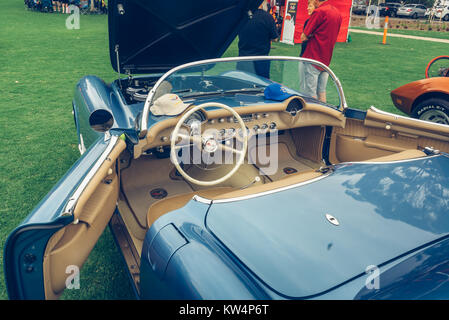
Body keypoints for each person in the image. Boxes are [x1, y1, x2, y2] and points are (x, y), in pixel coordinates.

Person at [300, 0, 342, 102]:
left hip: (313, 57)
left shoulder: (319, 12)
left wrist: (312, 35)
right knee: (322, 92)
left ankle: (311, 116)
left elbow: (303, 37)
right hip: (326, 60)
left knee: (310, 93)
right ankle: (323, 115)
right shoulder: (337, 13)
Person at [237, 0, 279, 79]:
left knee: (242, 85)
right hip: (261, 60)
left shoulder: (242, 16)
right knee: (261, 86)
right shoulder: (267, 17)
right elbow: (275, 38)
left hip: (243, 58)